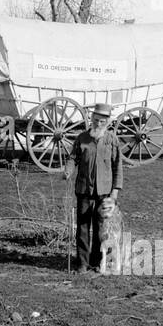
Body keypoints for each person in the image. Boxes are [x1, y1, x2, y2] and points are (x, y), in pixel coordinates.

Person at [62, 103, 124, 272]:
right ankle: (82, 263)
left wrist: (115, 191)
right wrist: (68, 171)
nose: (98, 124)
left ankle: (97, 262)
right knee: (82, 226)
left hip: (104, 193)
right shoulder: (82, 138)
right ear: (91, 119)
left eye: (102, 121)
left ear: (108, 122)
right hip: (84, 189)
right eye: (96, 120)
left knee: (101, 228)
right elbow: (72, 158)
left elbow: (118, 166)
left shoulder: (112, 140)